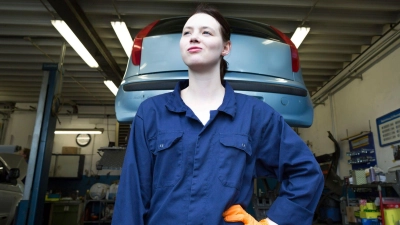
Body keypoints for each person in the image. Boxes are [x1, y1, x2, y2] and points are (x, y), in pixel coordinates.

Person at [113, 3, 324, 225]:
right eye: (187, 33)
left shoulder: (255, 115)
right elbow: (131, 199)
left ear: (226, 47)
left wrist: (274, 222)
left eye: (206, 32)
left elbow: (306, 173)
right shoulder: (151, 113)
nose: (194, 38)